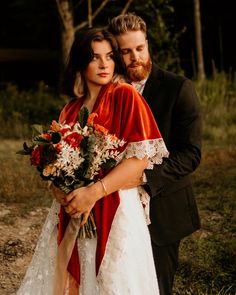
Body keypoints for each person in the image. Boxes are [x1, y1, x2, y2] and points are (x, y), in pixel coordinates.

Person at [16, 27, 169, 294]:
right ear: (80, 62)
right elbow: (56, 163)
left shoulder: (125, 96)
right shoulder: (71, 108)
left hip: (115, 208)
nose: (103, 64)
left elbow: (139, 160)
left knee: (112, 282)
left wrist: (94, 192)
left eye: (109, 56)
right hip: (75, 210)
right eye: (94, 57)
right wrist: (58, 188)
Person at [108, 13, 202, 295]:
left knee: (157, 288)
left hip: (163, 210)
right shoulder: (107, 91)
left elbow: (191, 154)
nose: (134, 57)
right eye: (125, 51)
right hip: (115, 209)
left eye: (139, 48)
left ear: (148, 44)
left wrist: (140, 177)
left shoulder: (178, 88)